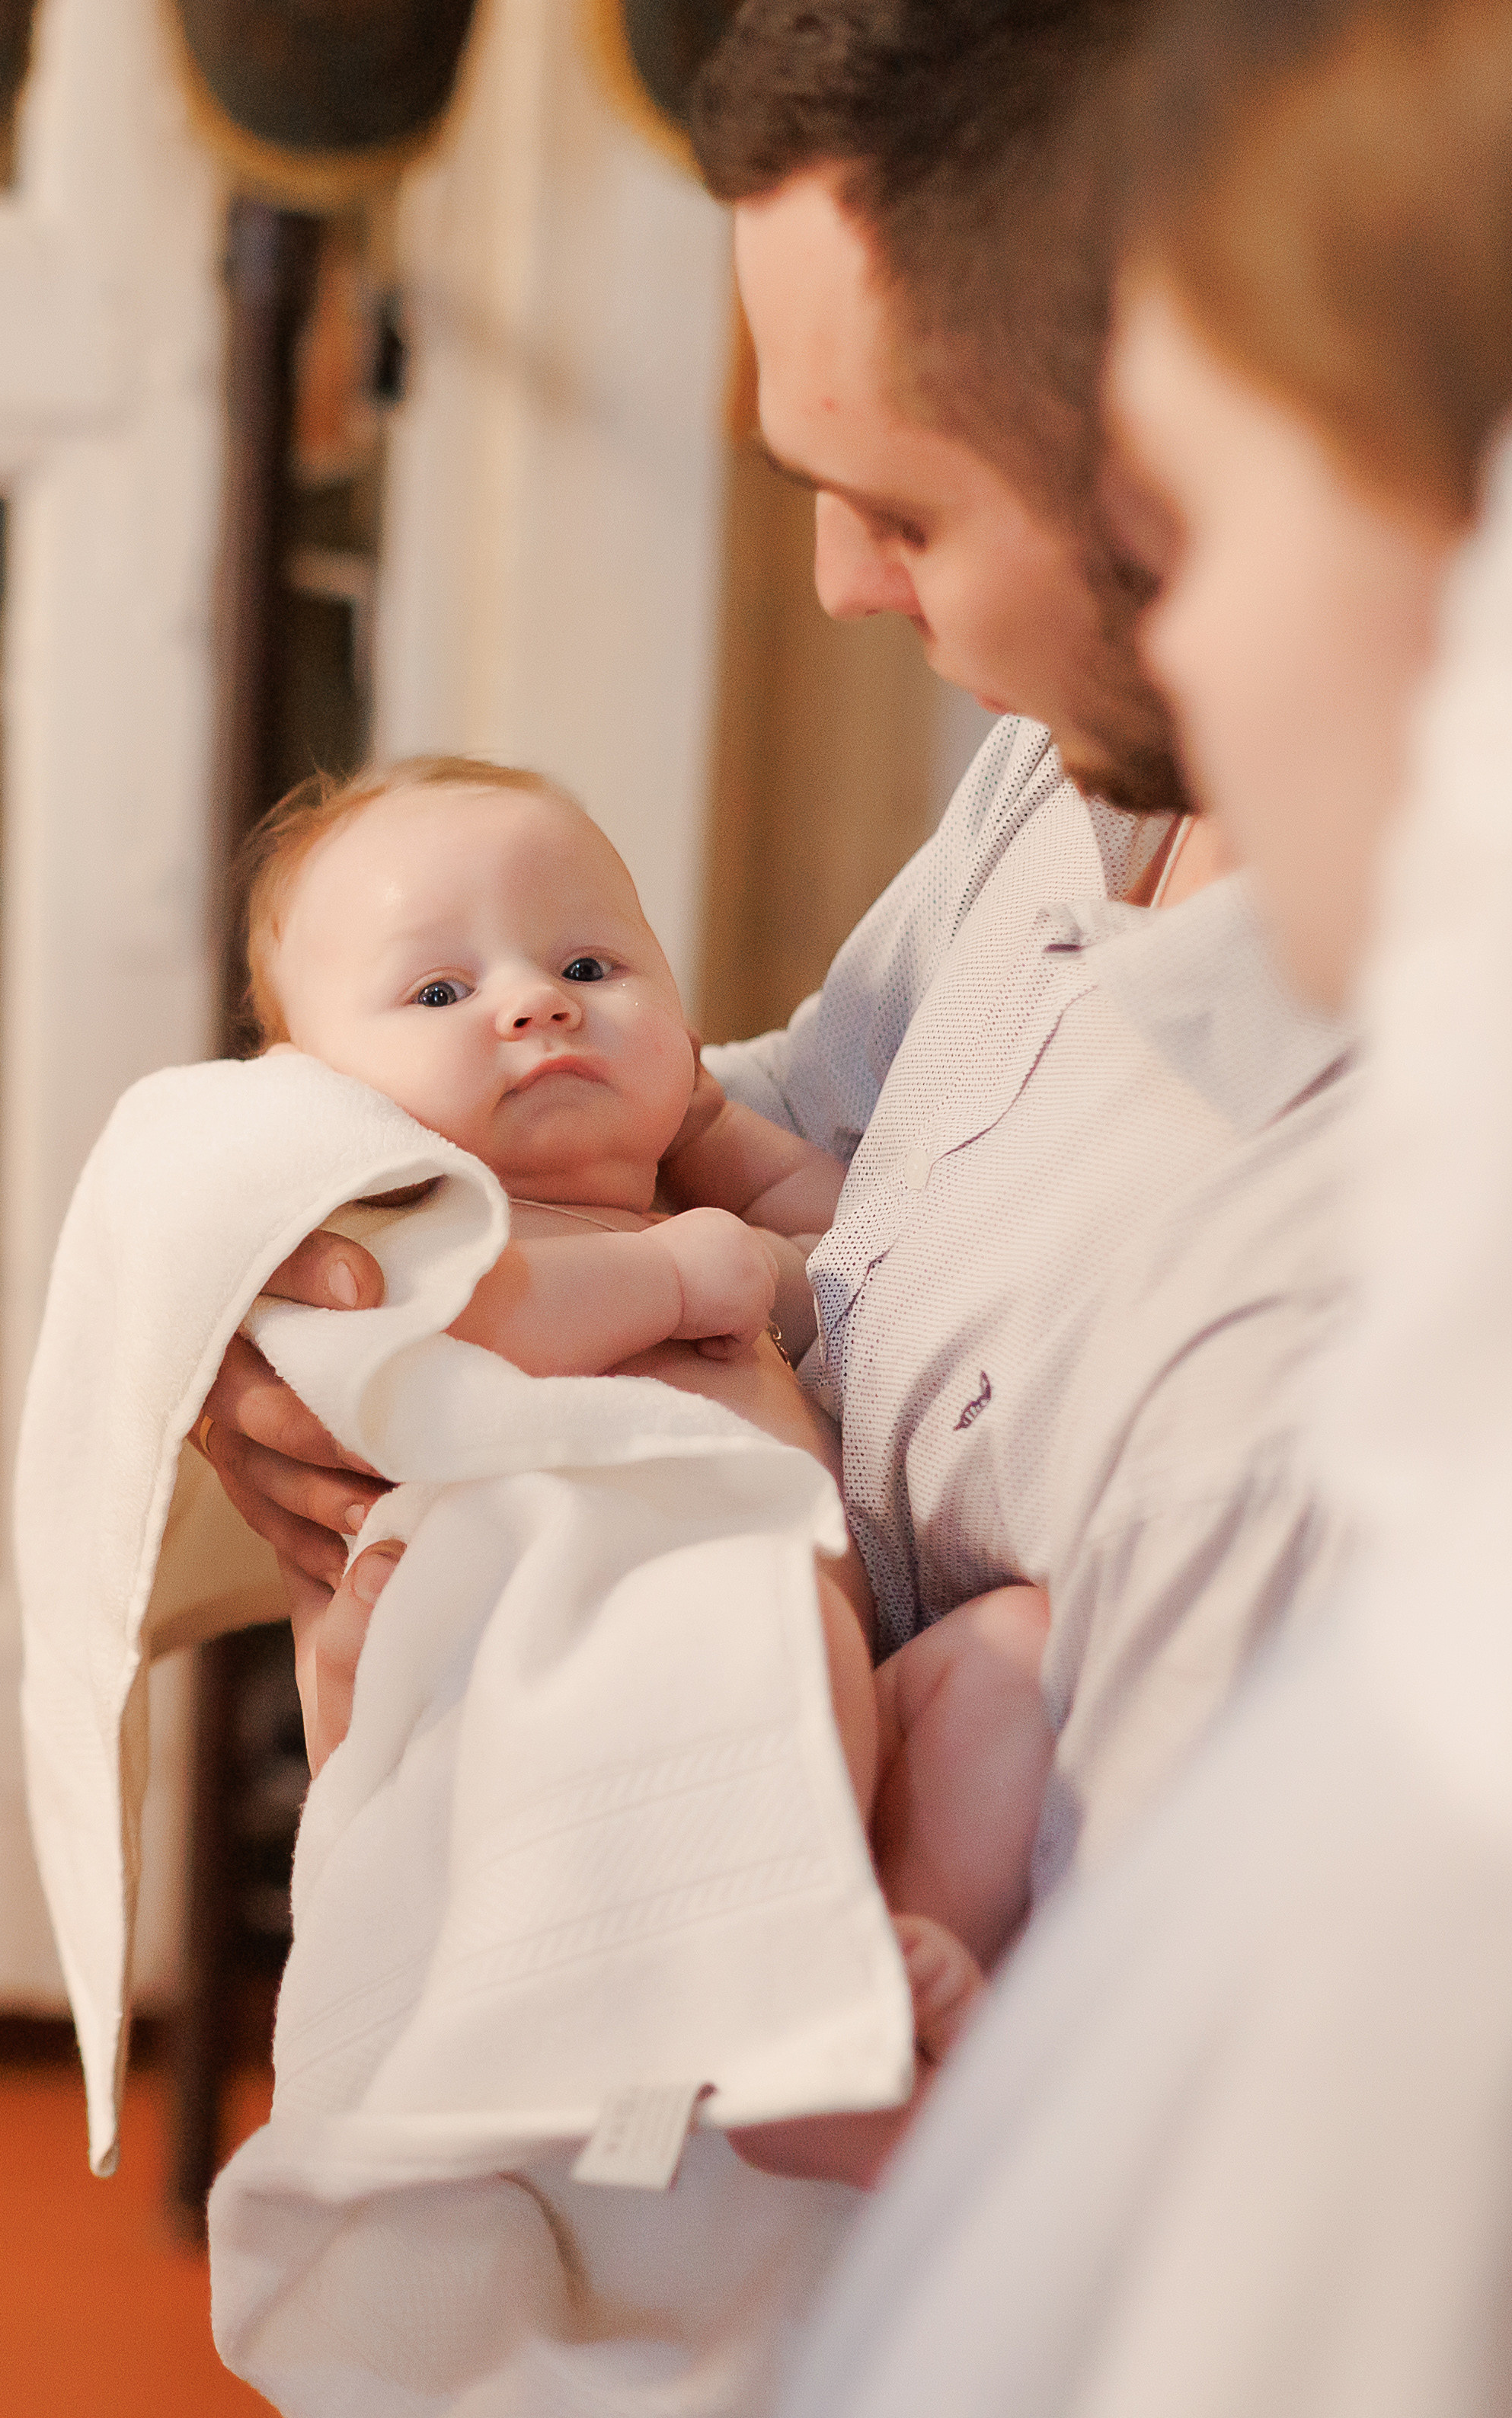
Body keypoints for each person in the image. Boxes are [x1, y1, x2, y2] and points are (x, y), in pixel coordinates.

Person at [203, 0, 1353, 1921]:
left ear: (1210, 445)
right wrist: (306, 1297)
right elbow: (756, 1113)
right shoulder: (1089, 769)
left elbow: (1073, 2174)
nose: (838, 583)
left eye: (904, 512)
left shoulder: (1301, 1357)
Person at [778, 0, 1512, 2416]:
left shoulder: (1334, 1423)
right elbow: (807, 1118)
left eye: (1220, 510)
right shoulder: (1067, 759)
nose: (1210, 627)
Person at [237, 747, 1054, 2174]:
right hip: (570, 1694)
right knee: (655, 1645)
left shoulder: (691, 1186)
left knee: (1021, 1663)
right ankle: (741, 2011)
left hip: (810, 1713)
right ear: (317, 1098)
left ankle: (865, 1969)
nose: (534, 1002)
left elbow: (857, 1241)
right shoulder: (416, 1221)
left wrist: (713, 1128)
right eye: (440, 993)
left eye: (591, 963)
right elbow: (467, 1341)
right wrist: (680, 1284)